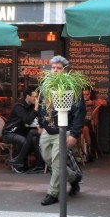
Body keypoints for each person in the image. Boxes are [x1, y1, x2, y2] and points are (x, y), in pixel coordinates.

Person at [37, 55, 85, 206]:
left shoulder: (73, 86)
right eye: (53, 68)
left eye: (59, 68)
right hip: (48, 129)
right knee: (47, 158)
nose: (55, 70)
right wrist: (40, 123)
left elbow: (79, 112)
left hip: (65, 130)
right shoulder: (45, 85)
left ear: (65, 70)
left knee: (57, 162)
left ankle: (53, 193)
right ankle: (73, 177)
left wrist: (75, 134)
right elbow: (41, 105)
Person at [4, 87, 44, 173]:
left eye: (37, 97)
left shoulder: (31, 106)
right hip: (10, 132)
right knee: (23, 140)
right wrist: (36, 108)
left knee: (34, 139)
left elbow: (35, 119)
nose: (36, 99)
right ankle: (19, 165)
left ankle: (37, 164)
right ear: (27, 96)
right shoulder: (19, 107)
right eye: (34, 96)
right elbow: (28, 121)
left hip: (22, 131)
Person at [82, 88, 106, 161]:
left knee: (85, 126)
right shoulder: (80, 102)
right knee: (84, 128)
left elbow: (105, 102)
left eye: (87, 94)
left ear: (91, 94)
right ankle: (88, 150)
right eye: (83, 95)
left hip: (90, 122)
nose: (85, 96)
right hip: (82, 123)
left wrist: (93, 103)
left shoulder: (94, 102)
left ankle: (88, 151)